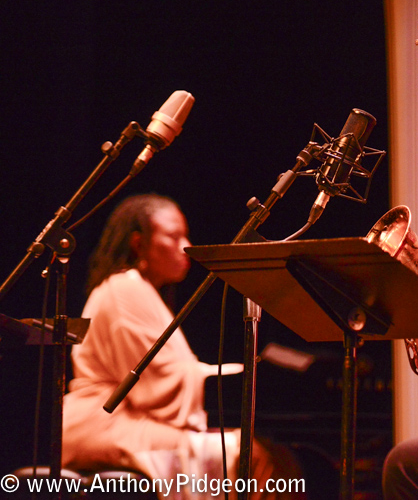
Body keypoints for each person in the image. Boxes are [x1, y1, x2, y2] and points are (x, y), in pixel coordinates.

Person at [61, 194, 301, 499]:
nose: (185, 245)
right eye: (174, 236)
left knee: (274, 455)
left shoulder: (139, 289)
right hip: (105, 424)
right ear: (138, 243)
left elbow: (169, 375)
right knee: (251, 454)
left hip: (132, 418)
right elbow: (155, 383)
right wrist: (244, 375)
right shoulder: (125, 288)